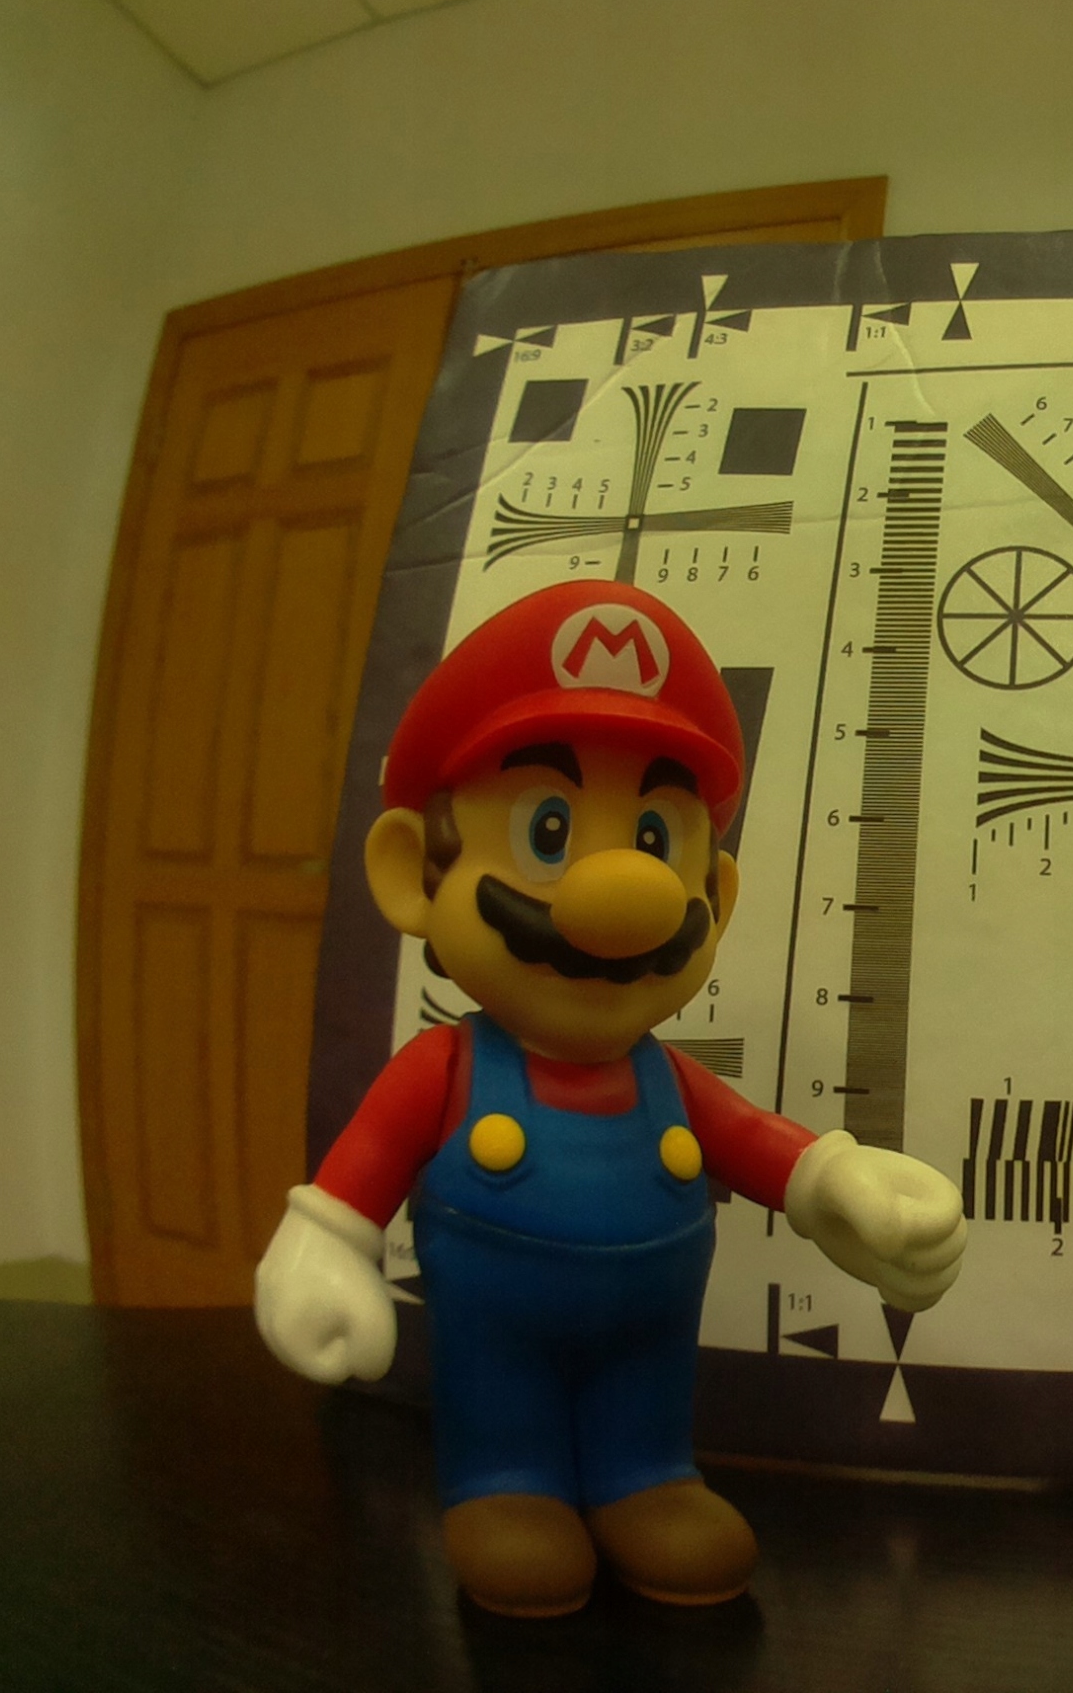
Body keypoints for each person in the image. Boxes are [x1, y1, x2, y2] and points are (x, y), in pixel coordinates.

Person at [254, 581, 966, 1614]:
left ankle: (646, 1479)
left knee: (649, 1410)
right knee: (502, 1425)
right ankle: (506, 1483)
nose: (624, 898)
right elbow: (352, 1182)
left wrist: (835, 1185)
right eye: (548, 830)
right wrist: (322, 1249)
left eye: (654, 841)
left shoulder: (666, 1080)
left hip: (651, 1336)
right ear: (415, 873)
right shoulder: (444, 1070)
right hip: (494, 1335)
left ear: (714, 897)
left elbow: (754, 1141)